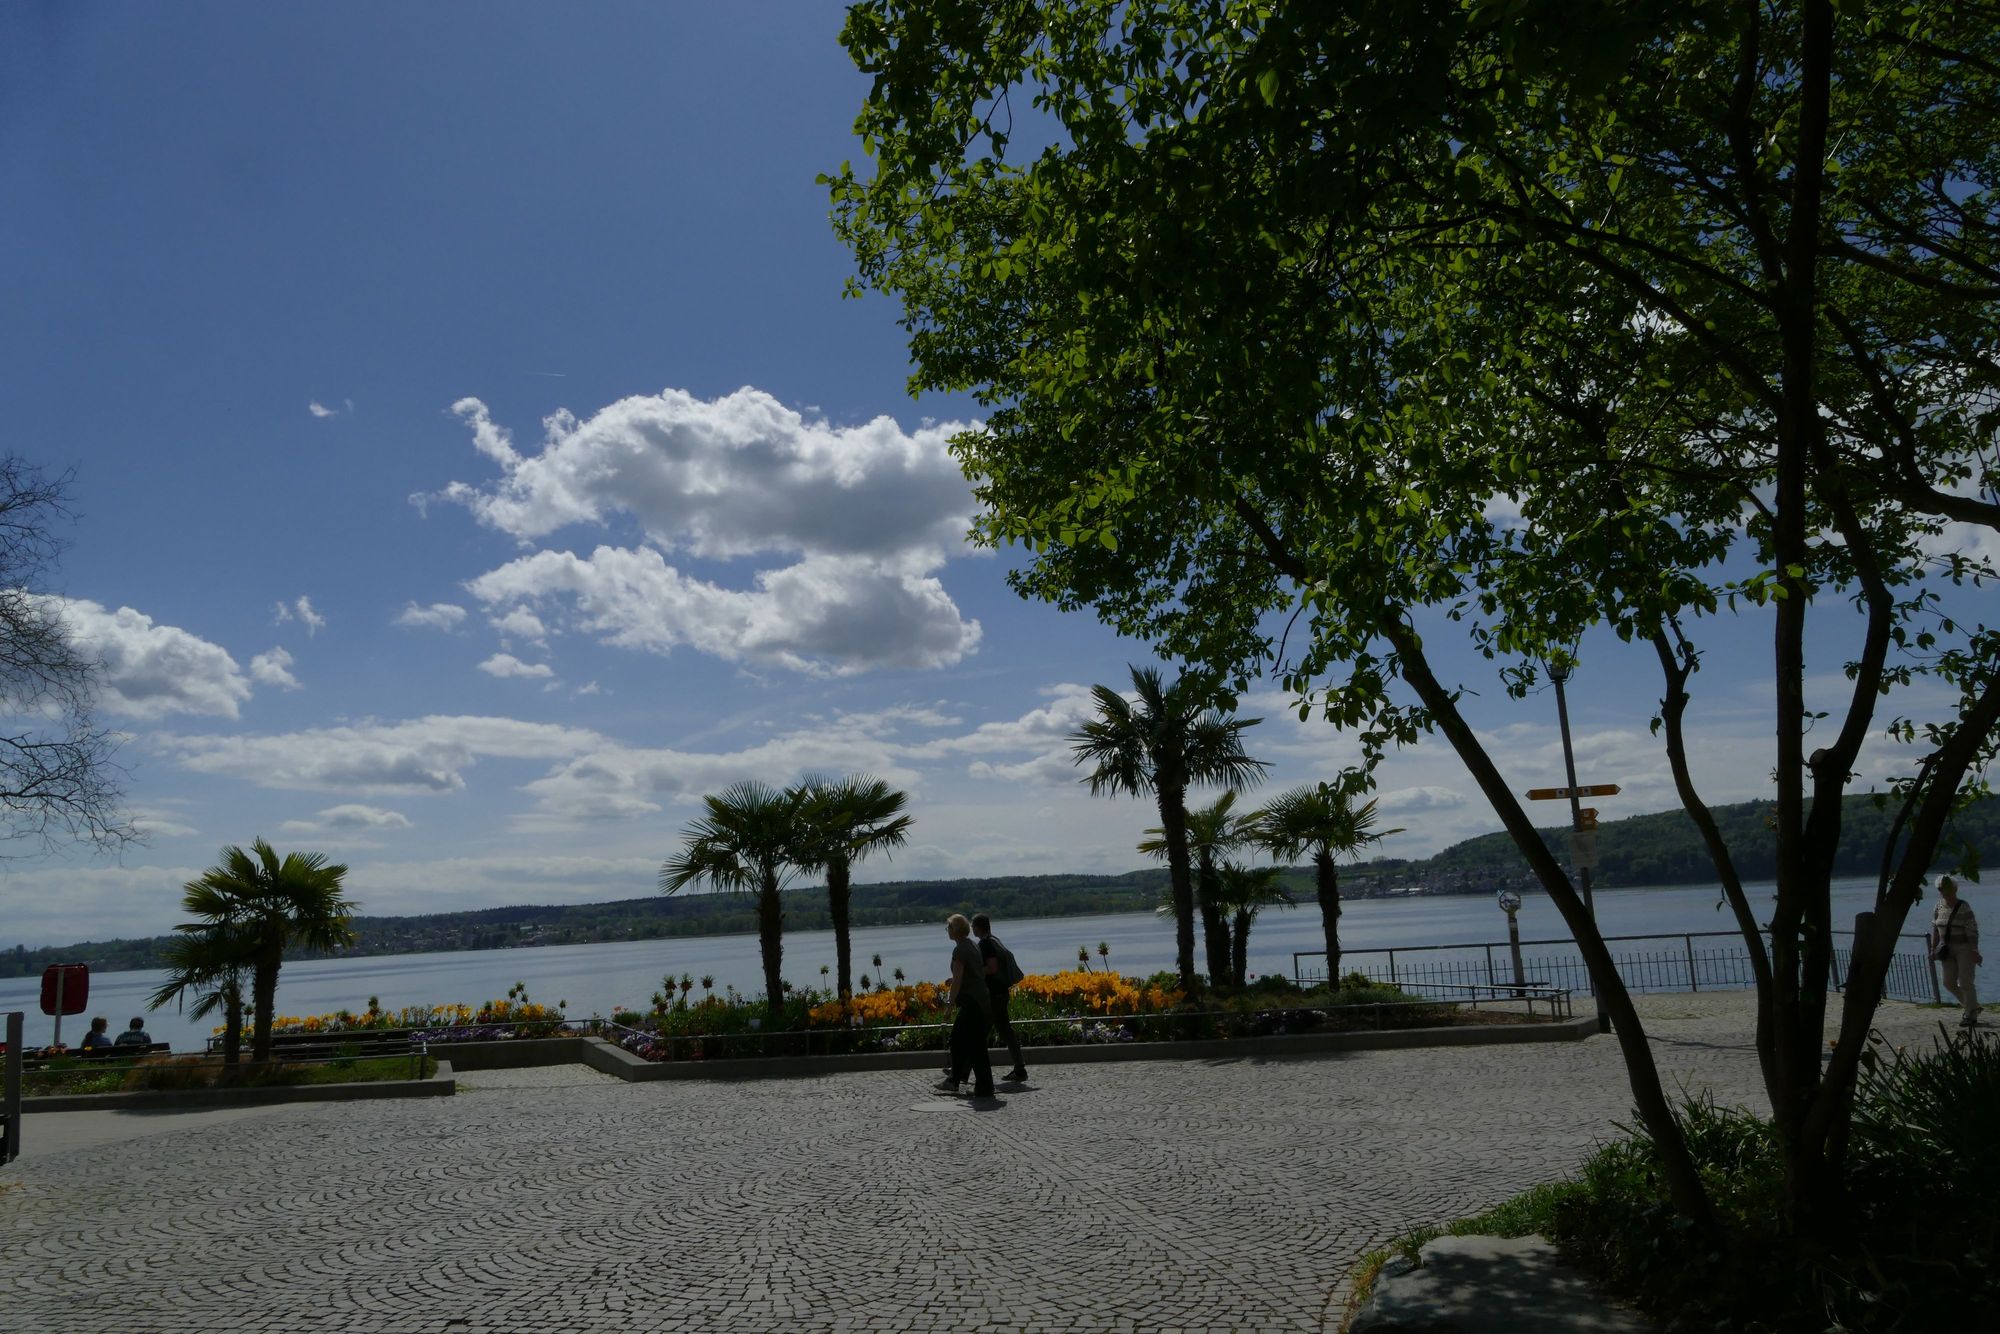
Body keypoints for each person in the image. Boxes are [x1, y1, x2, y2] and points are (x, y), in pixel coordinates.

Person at [934, 913, 996, 1098]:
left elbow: (958, 980)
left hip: (971, 1002)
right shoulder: (972, 945)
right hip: (981, 1000)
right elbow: (972, 973)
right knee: (973, 1043)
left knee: (960, 1040)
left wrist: (949, 1005)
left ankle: (960, 1082)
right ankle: (974, 1083)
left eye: (949, 927)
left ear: (955, 930)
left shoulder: (960, 950)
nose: (947, 930)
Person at [973, 913, 1028, 1083]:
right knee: (1005, 1030)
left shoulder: (986, 944)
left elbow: (992, 968)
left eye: (973, 926)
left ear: (977, 927)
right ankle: (1020, 1068)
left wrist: (975, 973)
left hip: (993, 995)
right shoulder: (995, 940)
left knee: (979, 1032)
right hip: (1001, 992)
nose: (972, 929)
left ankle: (960, 1071)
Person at [1930, 877, 1982, 1027]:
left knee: (1966, 982)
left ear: (1954, 889)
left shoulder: (1963, 906)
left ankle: (1970, 1016)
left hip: (1964, 948)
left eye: (1945, 888)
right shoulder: (1938, 906)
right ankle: (1973, 1006)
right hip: (1945, 949)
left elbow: (1972, 929)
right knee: (1948, 982)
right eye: (1940, 888)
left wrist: (1974, 950)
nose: (1943, 891)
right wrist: (1933, 949)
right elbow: (1935, 928)